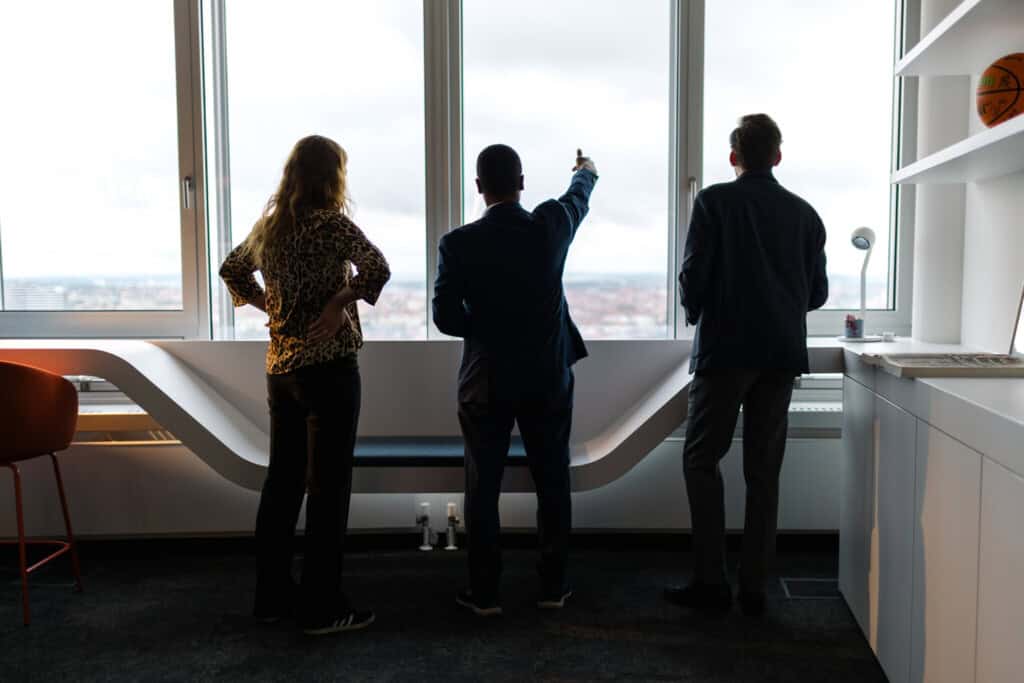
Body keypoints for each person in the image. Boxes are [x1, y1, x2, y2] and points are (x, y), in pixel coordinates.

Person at [219, 134, 390, 635]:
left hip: (281, 371)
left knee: (283, 484)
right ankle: (322, 607)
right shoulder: (331, 225)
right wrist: (338, 303)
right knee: (328, 489)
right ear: (333, 177)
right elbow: (377, 267)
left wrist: (270, 306)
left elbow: (232, 270)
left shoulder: (271, 228)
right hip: (330, 370)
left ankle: (271, 599)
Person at [667, 114, 828, 616]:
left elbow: (694, 275)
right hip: (780, 355)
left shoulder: (714, 202)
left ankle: (711, 581)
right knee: (763, 472)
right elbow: (817, 294)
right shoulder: (806, 215)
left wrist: (696, 312)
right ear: (777, 156)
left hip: (725, 350)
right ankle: (754, 588)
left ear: (734, 156)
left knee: (701, 460)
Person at [432, 144, 598, 616]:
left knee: (482, 486)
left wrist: (487, 325)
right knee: (553, 480)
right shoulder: (549, 225)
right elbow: (577, 198)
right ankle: (553, 586)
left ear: (479, 187)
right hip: (547, 376)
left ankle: (485, 593)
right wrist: (585, 171)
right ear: (522, 183)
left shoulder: (457, 243)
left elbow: (446, 318)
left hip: (485, 379)